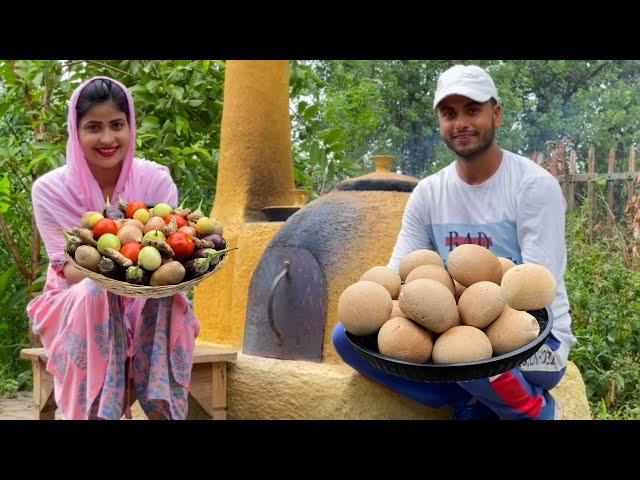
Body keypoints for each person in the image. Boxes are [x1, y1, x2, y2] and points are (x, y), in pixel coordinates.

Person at [332, 65, 577, 420]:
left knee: (467, 353)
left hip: (539, 342)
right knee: (347, 338)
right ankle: (464, 399)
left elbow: (537, 289)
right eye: (449, 114)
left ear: (496, 114)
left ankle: (531, 408)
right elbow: (399, 273)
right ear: (440, 122)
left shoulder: (533, 186)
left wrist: (465, 322)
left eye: (472, 110)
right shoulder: (428, 193)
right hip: (462, 324)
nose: (460, 122)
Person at [27, 76, 200, 420]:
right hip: (73, 300)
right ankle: (95, 412)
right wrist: (112, 281)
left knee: (167, 296)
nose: (107, 139)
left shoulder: (156, 180)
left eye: (117, 125)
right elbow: (70, 270)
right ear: (76, 133)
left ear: (130, 125)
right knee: (94, 292)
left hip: (147, 295)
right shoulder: (50, 190)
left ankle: (163, 407)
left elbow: (169, 261)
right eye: (94, 127)